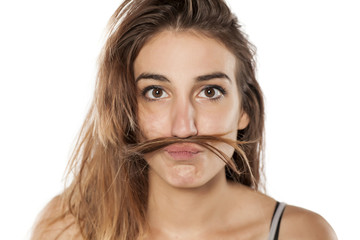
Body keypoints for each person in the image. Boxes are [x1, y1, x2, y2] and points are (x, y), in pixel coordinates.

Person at [31, 0, 337, 239]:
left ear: (244, 109)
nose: (183, 128)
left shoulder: (300, 234)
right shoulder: (68, 229)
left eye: (210, 91)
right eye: (155, 92)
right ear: (127, 108)